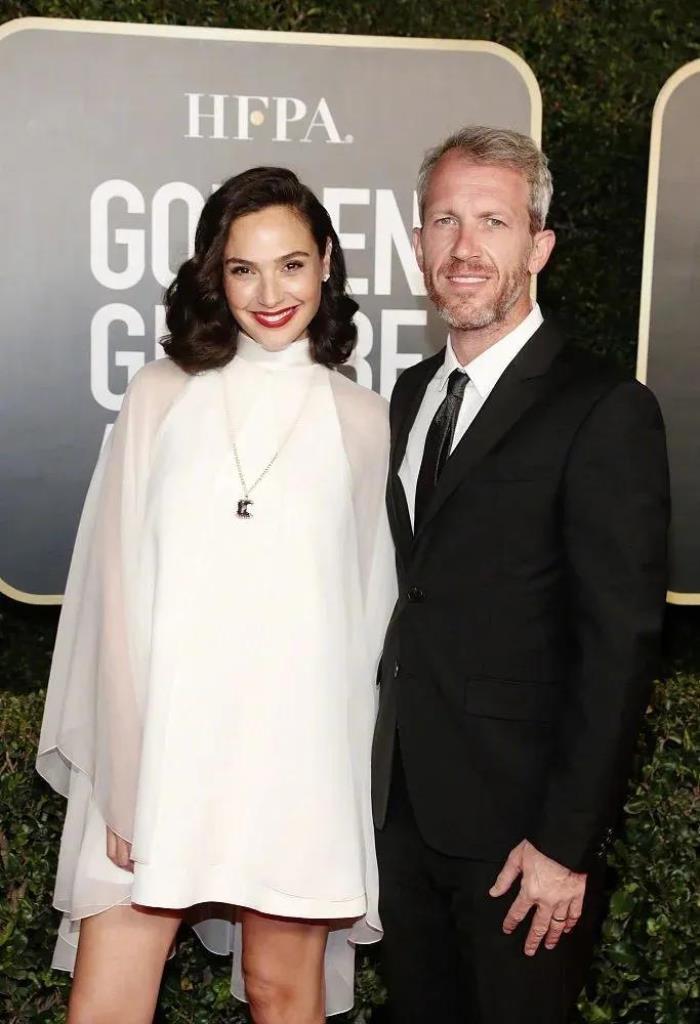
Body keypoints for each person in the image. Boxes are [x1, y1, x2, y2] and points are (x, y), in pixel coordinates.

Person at [37, 166, 396, 1024]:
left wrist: (343, 792)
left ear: (327, 264)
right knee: (110, 998)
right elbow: (114, 596)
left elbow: (369, 622)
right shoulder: (160, 396)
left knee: (282, 993)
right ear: (214, 277)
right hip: (161, 749)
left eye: (292, 265)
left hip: (296, 760)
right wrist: (123, 774)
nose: (270, 295)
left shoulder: (364, 420)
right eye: (243, 269)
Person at [372, 126, 670, 1024]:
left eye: (493, 222)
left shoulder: (604, 408)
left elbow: (618, 645)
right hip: (402, 815)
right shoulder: (409, 394)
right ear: (417, 241)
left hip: (521, 842)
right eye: (444, 221)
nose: (464, 248)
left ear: (538, 247)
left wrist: (565, 845)